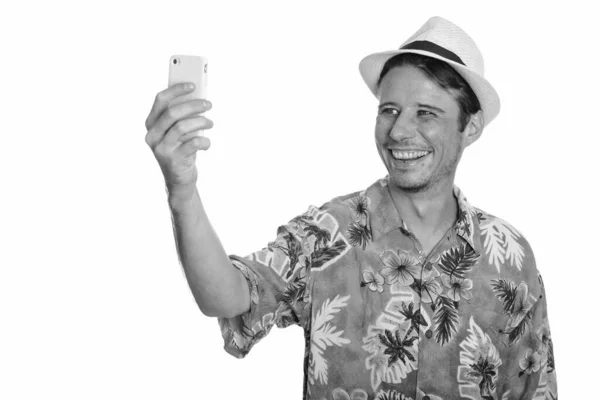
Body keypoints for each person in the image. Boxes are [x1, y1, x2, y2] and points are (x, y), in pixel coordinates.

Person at [145, 16, 557, 400]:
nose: (398, 131)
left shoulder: (510, 255)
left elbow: (535, 387)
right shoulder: (329, 233)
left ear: (471, 127)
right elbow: (229, 296)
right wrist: (182, 190)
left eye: (425, 114)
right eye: (389, 110)